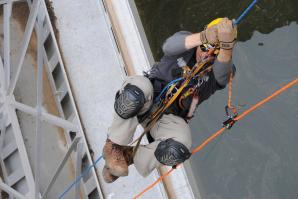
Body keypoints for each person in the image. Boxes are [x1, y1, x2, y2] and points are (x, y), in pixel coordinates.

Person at [102, 18, 237, 183]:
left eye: (213, 53)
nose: (206, 54)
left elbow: (222, 75)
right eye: (205, 48)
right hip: (148, 98)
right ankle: (114, 146)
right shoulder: (187, 42)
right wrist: (204, 37)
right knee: (133, 96)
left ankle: (129, 156)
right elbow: (168, 46)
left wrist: (226, 47)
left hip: (167, 119)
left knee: (178, 148)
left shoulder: (224, 68)